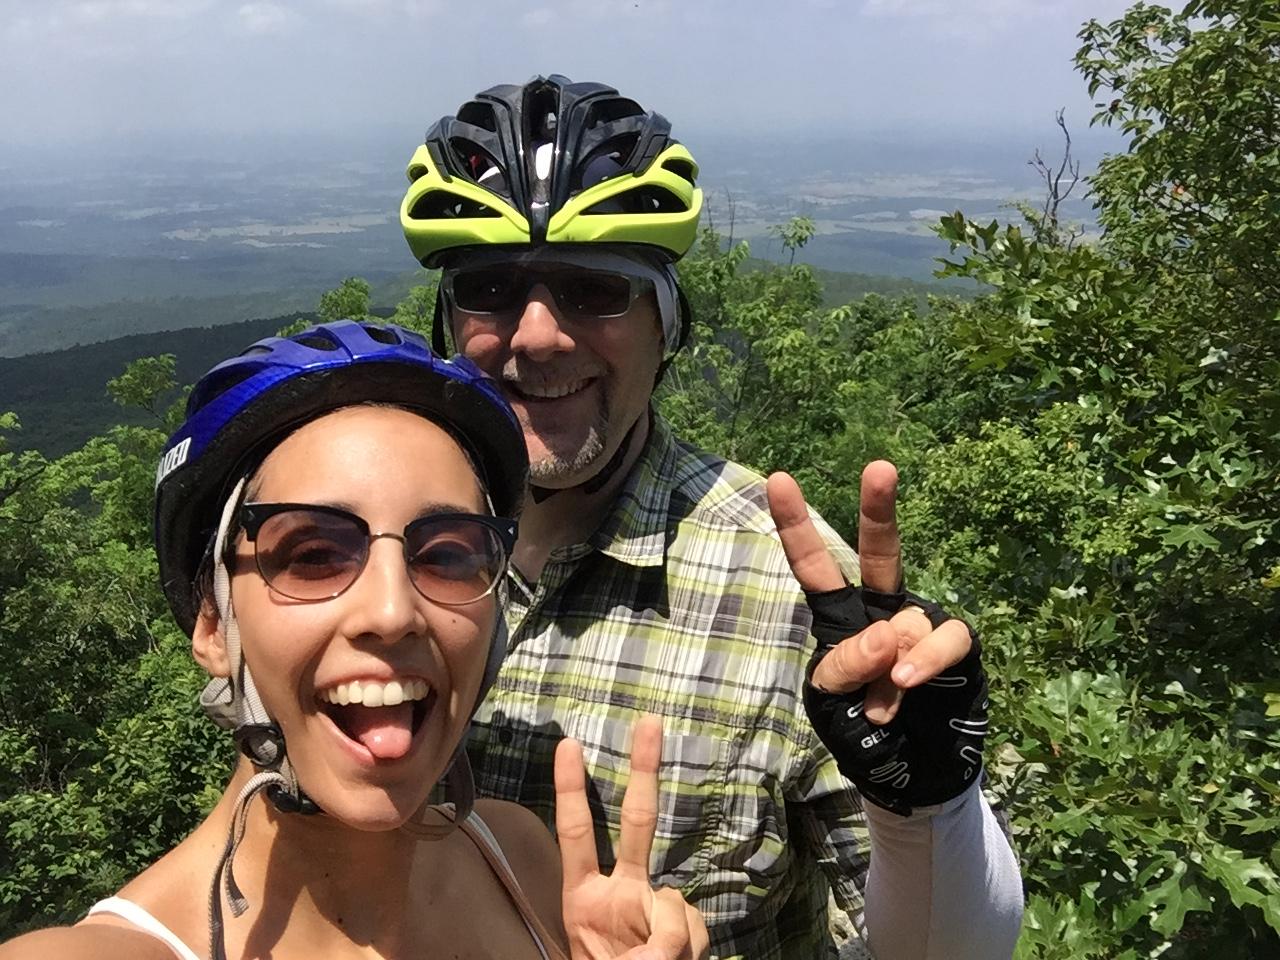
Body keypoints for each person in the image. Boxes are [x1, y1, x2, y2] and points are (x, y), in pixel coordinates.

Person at [399, 75, 1024, 959]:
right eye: (491, 288)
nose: (536, 335)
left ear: (668, 326)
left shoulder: (795, 596)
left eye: (593, 289)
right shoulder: (372, 551)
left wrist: (928, 815)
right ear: (447, 323)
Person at [0, 320, 709, 960]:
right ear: (213, 624)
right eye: (314, 555)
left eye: (447, 553)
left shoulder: (518, 860)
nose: (393, 612)